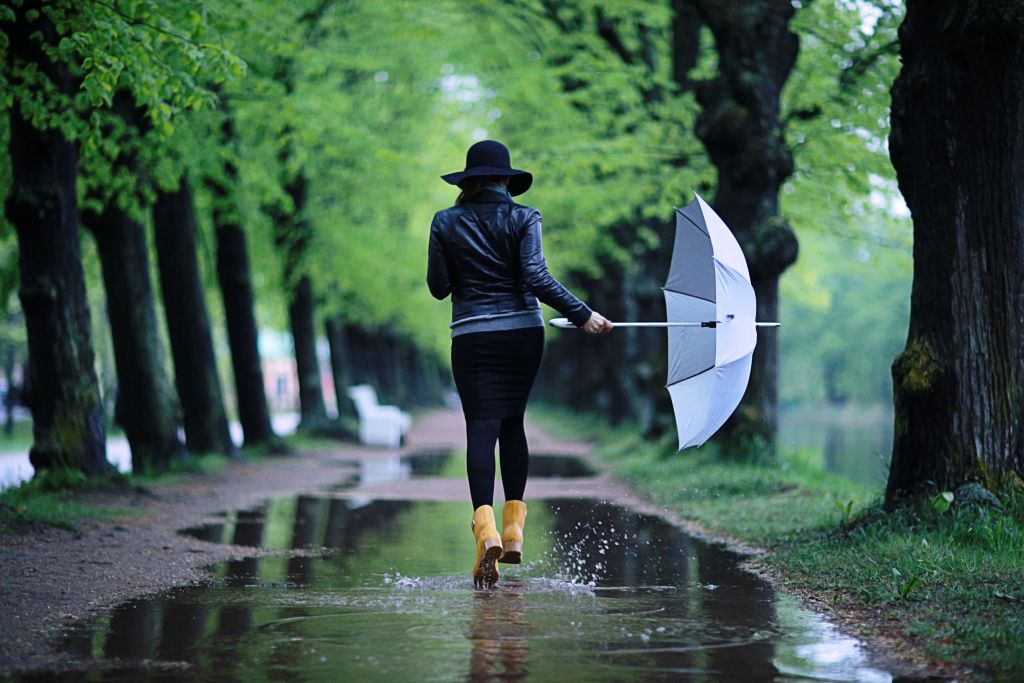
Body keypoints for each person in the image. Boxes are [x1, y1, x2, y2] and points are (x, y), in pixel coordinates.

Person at [427, 139, 613, 589]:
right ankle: (513, 531)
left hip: (472, 336)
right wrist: (582, 312)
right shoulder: (524, 216)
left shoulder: (445, 222)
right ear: (508, 180)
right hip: (522, 335)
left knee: (481, 428)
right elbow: (536, 276)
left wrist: (459, 258)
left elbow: (438, 287)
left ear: (468, 182)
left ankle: (485, 529)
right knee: (513, 425)